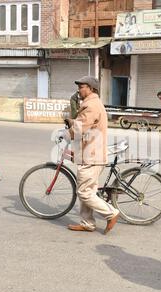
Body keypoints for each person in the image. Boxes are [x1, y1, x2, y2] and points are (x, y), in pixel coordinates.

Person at [65, 76, 119, 234]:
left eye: (82, 87)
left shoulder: (91, 105)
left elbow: (81, 127)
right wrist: (71, 122)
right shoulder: (92, 103)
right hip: (90, 153)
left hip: (92, 155)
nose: (79, 90)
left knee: (84, 192)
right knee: (87, 189)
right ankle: (87, 223)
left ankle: (111, 213)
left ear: (91, 88)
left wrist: (67, 134)